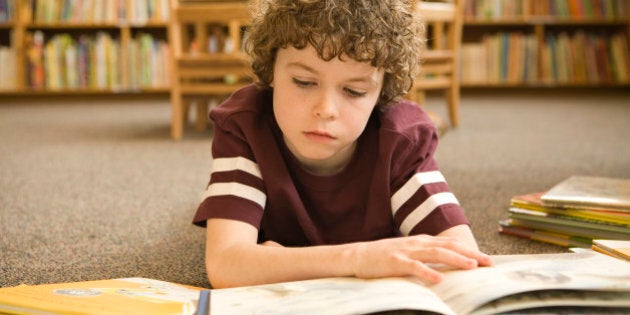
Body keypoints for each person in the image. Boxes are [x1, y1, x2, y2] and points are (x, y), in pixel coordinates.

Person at [193, 0, 491, 289]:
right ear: (271, 71)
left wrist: (278, 261)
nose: (326, 109)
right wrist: (359, 258)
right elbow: (225, 265)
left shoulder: (402, 138)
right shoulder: (245, 124)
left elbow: (461, 255)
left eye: (354, 90)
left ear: (381, 95)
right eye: (303, 82)